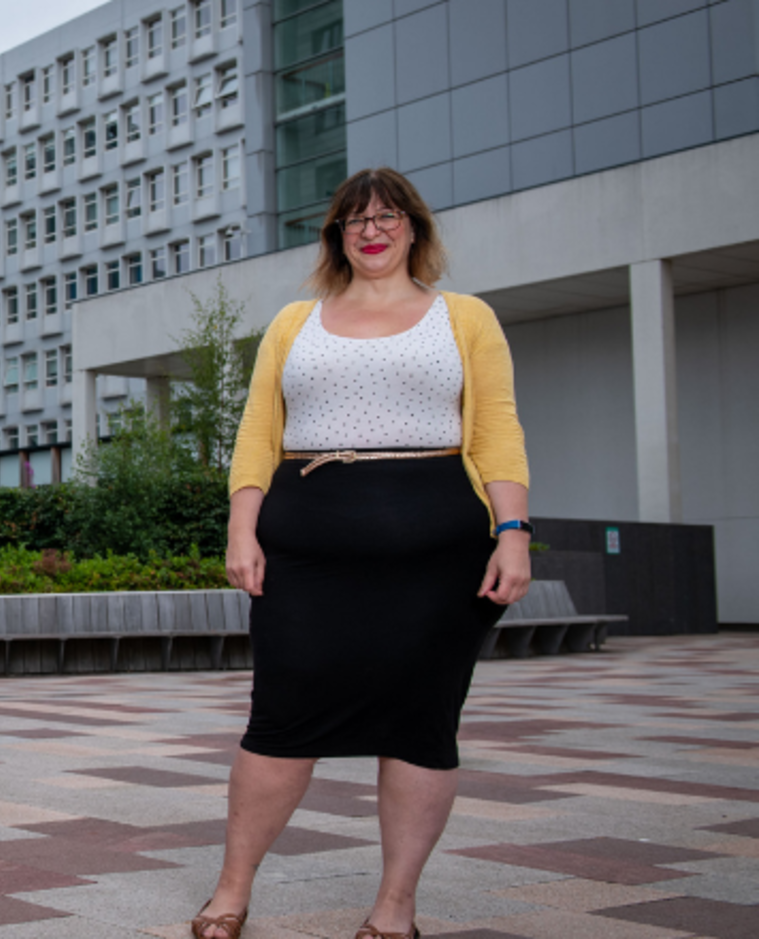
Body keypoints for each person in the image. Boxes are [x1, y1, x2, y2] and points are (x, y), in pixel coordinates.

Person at [189, 168, 531, 939]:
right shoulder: (293, 321)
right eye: (355, 220)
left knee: (421, 720)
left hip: (439, 554)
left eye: (387, 216)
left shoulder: (466, 318)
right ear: (337, 235)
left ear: (414, 227)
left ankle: (394, 908)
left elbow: (497, 432)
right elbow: (256, 436)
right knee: (281, 715)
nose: (371, 230)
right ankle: (232, 889)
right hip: (307, 549)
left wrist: (513, 532)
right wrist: (242, 527)